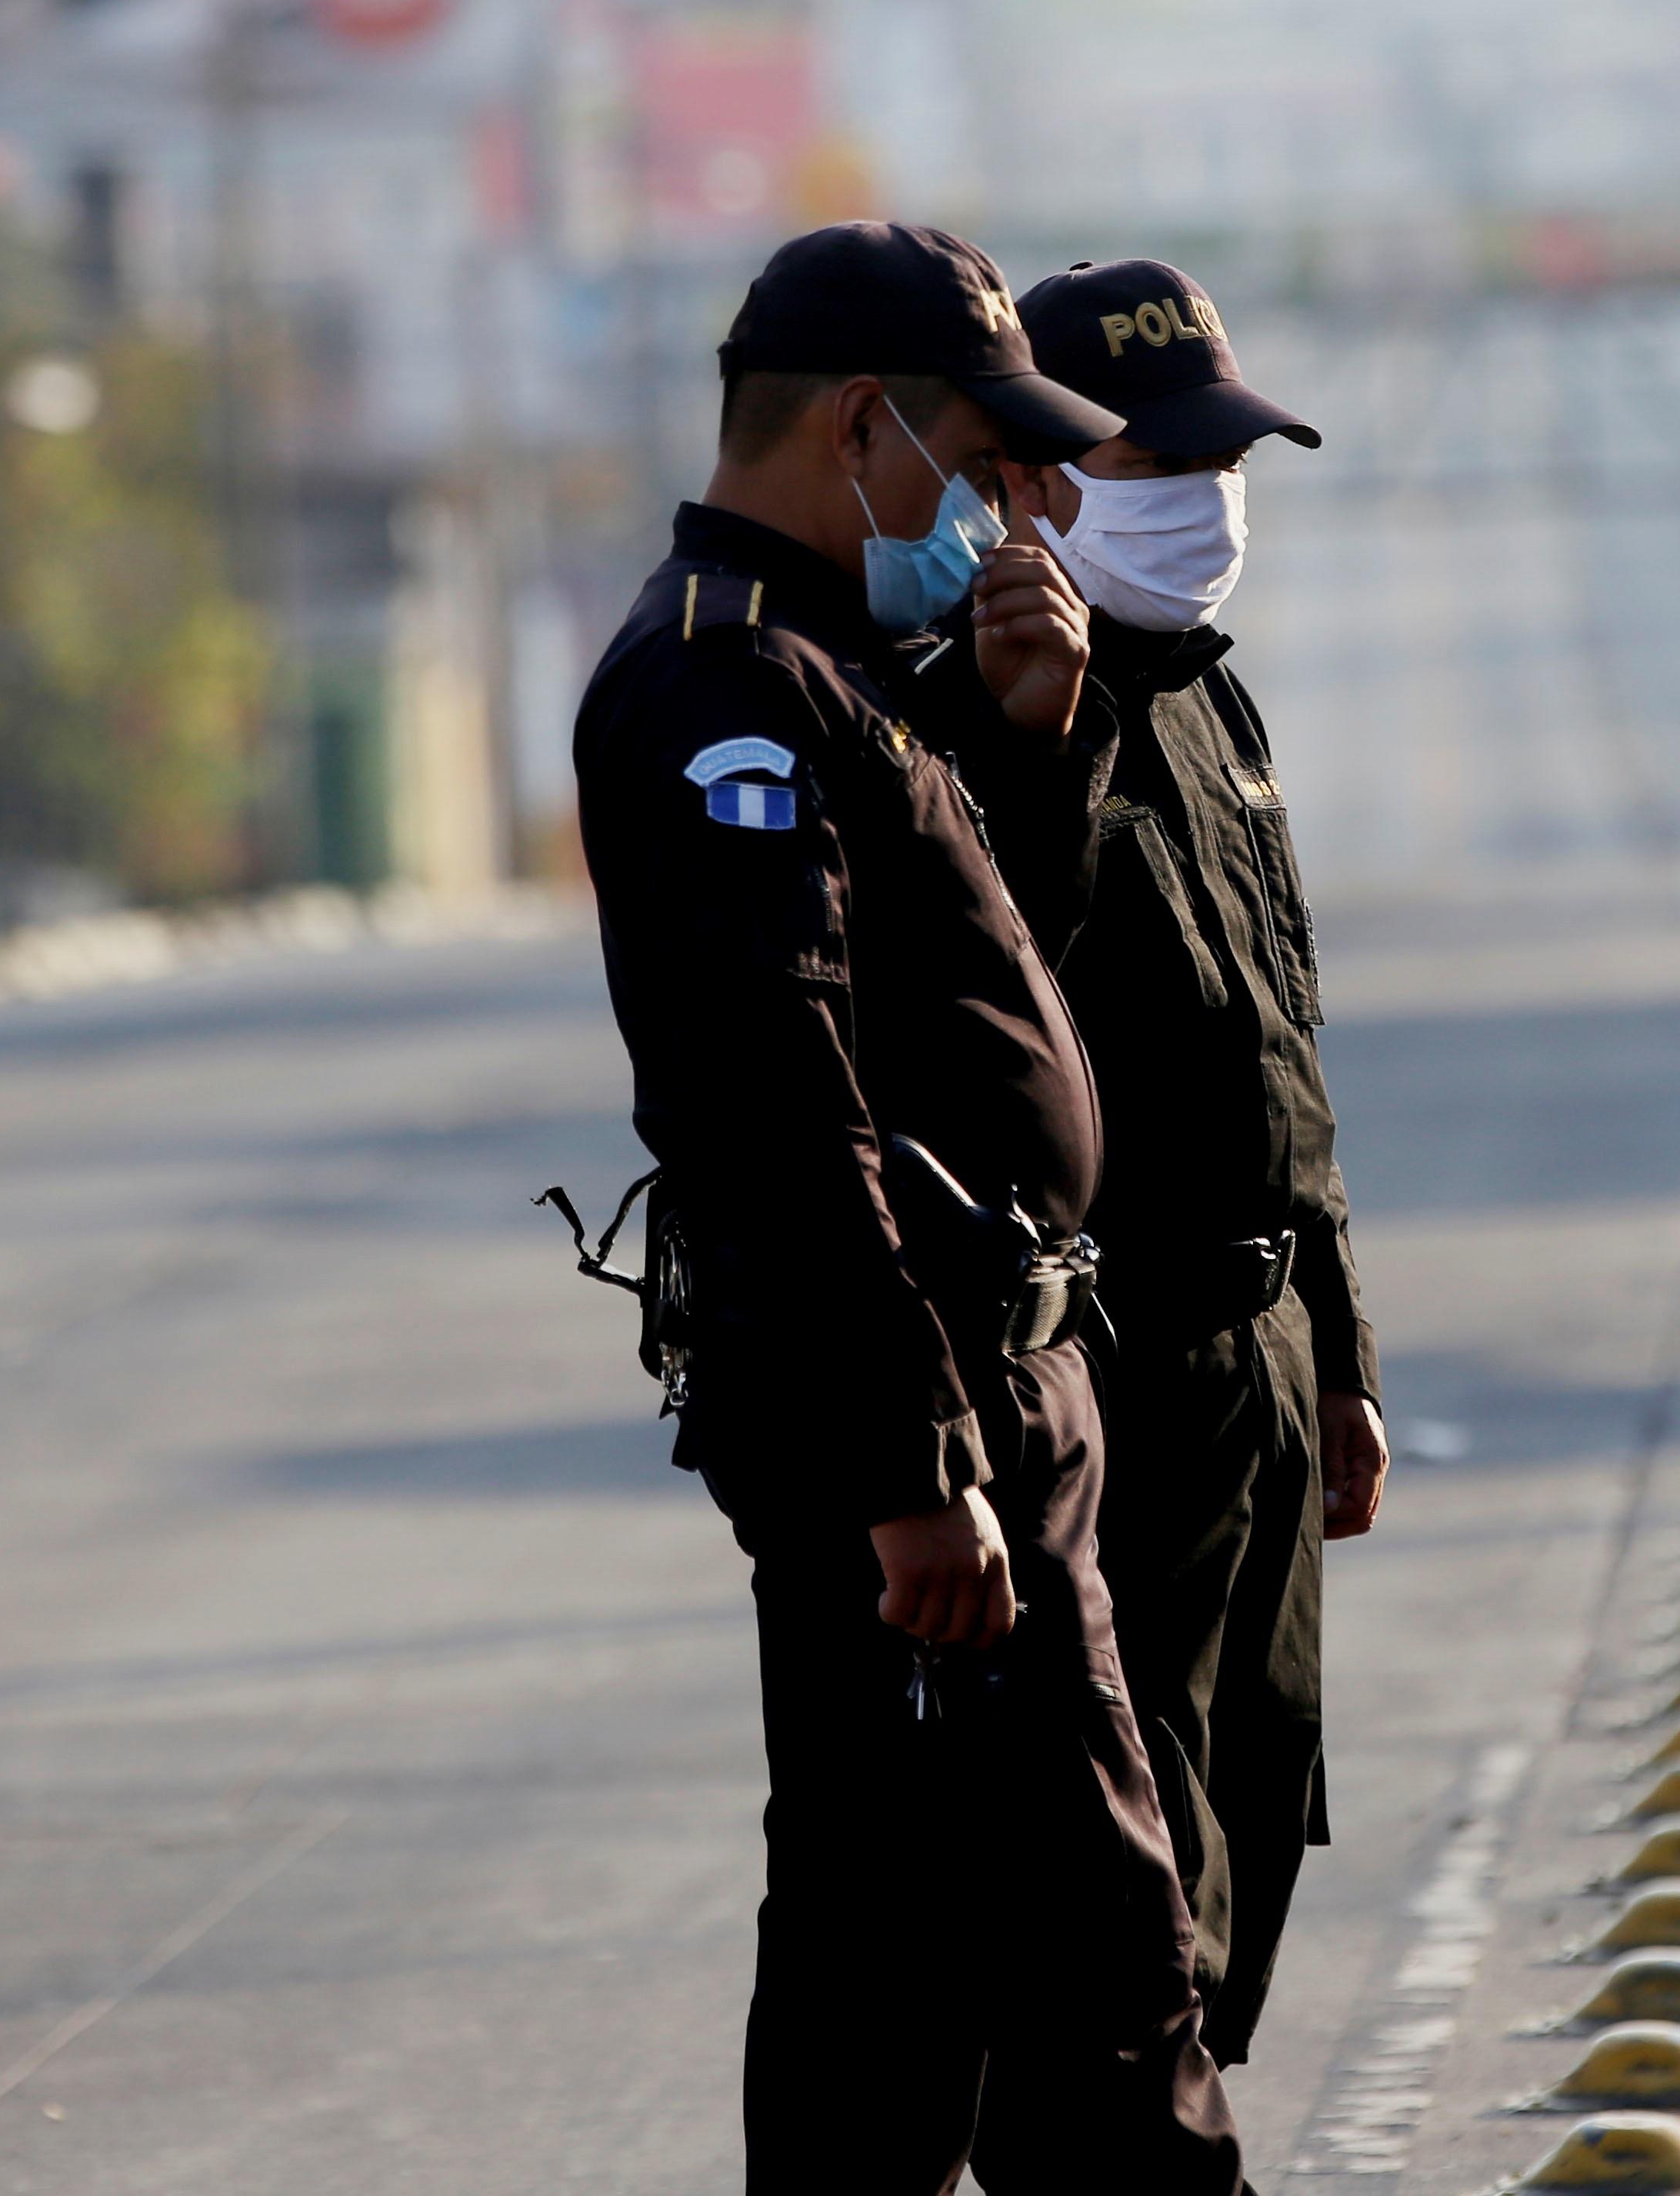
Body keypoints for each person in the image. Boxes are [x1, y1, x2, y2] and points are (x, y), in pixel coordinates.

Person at [571, 222, 1253, 2194]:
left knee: (905, 1986)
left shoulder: (840, 667)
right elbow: (780, 1105)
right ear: (863, 427)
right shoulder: (728, 691)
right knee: (1089, 1987)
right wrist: (911, 1463)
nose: (1022, 501)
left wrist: (1030, 761)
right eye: (988, 454)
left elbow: (961, 1002)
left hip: (981, 1406)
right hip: (930, 1429)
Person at [955, 255, 1388, 2069]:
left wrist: (1345, 1362)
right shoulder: (978, 719)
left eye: (1226, 466)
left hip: (1267, 1363)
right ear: (1039, 483)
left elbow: (1284, 1055)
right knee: (1140, 1889)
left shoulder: (1213, 703)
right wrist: (1038, 742)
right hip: (1118, 1368)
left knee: (1261, 1810)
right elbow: (991, 1030)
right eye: (1161, 469)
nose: (1209, 509)